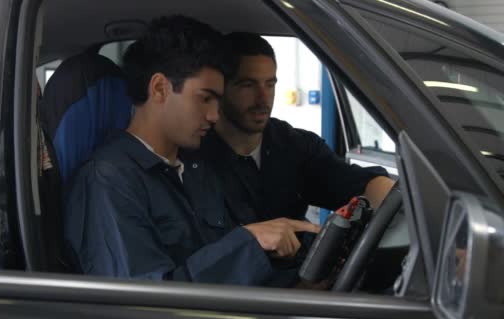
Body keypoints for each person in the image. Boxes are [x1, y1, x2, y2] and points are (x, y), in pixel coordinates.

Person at [64, 16, 318, 286]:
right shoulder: (109, 181)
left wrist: (299, 282)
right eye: (205, 98)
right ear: (160, 88)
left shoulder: (198, 166)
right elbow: (146, 299)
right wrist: (250, 241)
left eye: (217, 101)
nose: (213, 115)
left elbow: (234, 265)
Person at [201, 32, 394, 228]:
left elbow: (359, 184)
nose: (263, 99)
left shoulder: (294, 145)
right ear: (220, 89)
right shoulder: (195, 155)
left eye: (270, 84)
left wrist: (401, 201)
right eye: (248, 85)